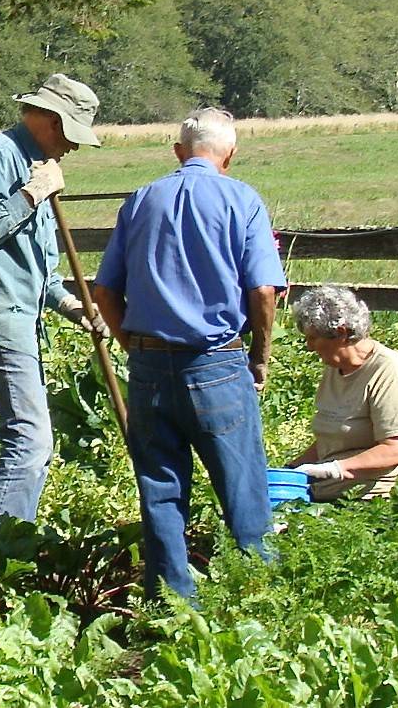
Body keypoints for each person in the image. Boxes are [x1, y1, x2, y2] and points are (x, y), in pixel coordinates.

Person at [92, 107, 286, 602]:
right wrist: (259, 358)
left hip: (150, 366)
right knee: (242, 486)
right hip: (217, 361)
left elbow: (105, 292)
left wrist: (131, 344)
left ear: (178, 152)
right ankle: (256, 595)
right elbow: (263, 290)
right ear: (231, 156)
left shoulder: (140, 201)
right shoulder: (242, 199)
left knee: (160, 488)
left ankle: (171, 604)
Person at [0, 72, 107, 532]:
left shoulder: (37, 164)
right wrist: (32, 193)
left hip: (17, 307)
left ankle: (4, 538)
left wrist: (73, 306)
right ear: (49, 120)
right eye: (70, 134)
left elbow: (39, 269)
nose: (72, 147)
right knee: (31, 439)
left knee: (31, 436)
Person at [287, 285, 398, 501]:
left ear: (340, 333)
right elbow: (331, 442)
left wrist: (335, 470)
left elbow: (396, 449)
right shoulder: (334, 369)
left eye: (313, 338)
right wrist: (292, 470)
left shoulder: (389, 371)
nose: (309, 347)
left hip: (369, 501)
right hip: (326, 494)